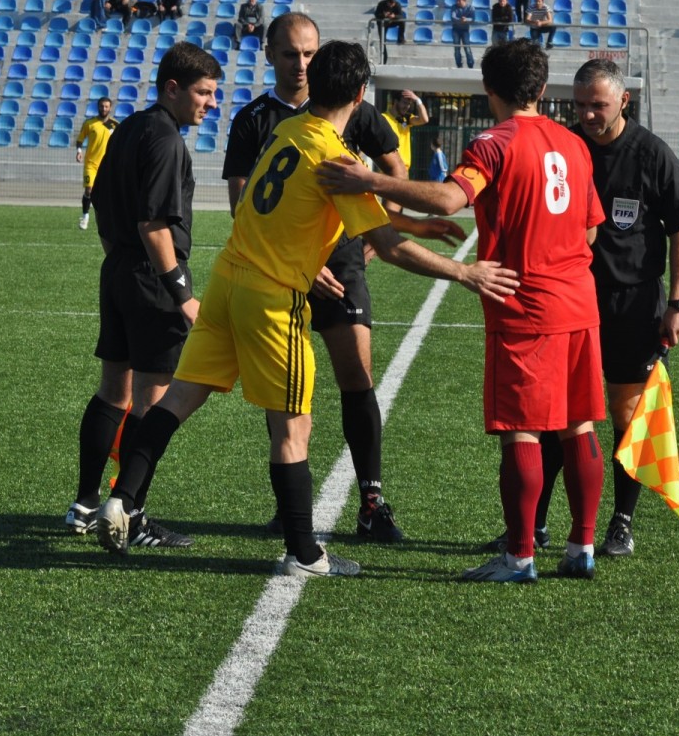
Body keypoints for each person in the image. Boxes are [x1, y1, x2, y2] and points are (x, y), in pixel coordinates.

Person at [94, 40, 519, 577]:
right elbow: (387, 247)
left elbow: (311, 203)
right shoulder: (337, 158)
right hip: (271, 298)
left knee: (178, 398)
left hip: (228, 280)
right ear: (361, 95)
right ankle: (304, 553)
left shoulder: (288, 130)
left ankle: (124, 499)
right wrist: (465, 272)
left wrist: (413, 225)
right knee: (294, 426)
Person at [318, 39, 607, 584]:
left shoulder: (495, 143)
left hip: (524, 302)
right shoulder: (574, 144)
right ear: (543, 88)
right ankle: (582, 547)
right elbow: (591, 229)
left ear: (488, 88)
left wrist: (370, 180)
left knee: (522, 431)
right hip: (578, 299)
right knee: (579, 424)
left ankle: (519, 557)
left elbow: (451, 199)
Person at [222, 12, 467, 543]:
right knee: (285, 392)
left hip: (342, 264)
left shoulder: (355, 111)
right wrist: (302, 265)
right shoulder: (255, 119)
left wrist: (382, 231)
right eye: (291, 53)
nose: (301, 63)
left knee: (356, 377)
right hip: (281, 271)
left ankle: (371, 502)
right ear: (269, 55)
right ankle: (290, 509)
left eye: (309, 53)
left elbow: (393, 172)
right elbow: (243, 206)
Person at [484, 58, 679, 558]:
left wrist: (678, 302)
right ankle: (535, 525)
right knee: (551, 416)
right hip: (566, 300)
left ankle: (621, 523)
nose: (586, 114)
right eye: (579, 104)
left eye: (597, 105)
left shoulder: (651, 153)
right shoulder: (565, 146)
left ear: (623, 101)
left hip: (632, 305)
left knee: (628, 415)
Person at [65, 42, 222, 546]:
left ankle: (84, 505)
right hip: (154, 279)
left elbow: (105, 211)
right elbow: (153, 225)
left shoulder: (128, 128)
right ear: (172, 88)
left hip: (117, 269)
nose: (211, 103)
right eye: (203, 92)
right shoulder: (166, 140)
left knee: (113, 390)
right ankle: (129, 514)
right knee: (154, 401)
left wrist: (120, 266)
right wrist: (182, 295)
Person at [74, 96, 119, 230]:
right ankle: (85, 216)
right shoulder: (90, 123)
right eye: (101, 106)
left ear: (110, 108)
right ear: (98, 107)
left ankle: (107, 218)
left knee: (107, 193)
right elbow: (80, 139)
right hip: (91, 164)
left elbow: (120, 142)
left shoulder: (115, 125)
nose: (104, 109)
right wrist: (79, 151)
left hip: (107, 165)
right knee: (89, 190)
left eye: (106, 106)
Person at [382, 90, 428, 172]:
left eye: (409, 104)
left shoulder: (407, 119)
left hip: (404, 170)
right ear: (395, 101)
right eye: (404, 103)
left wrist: (417, 100)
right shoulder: (383, 118)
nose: (407, 106)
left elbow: (424, 119)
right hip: (390, 169)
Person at [374, 0, 406, 64]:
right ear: (387, 2)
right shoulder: (381, 4)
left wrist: (394, 16)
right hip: (382, 24)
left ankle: (401, 39)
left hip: (391, 22)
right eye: (390, 4)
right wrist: (384, 15)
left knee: (402, 21)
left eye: (393, 4)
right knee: (382, 41)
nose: (391, 5)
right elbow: (376, 14)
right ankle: (384, 60)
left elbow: (401, 16)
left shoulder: (397, 5)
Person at [451, 0, 475, 69]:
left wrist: (466, 19)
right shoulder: (454, 7)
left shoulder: (470, 7)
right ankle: (459, 64)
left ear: (464, 0)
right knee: (457, 49)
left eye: (459, 0)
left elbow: (473, 19)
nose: (457, 2)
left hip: (465, 30)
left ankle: (470, 64)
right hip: (456, 30)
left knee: (467, 48)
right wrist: (461, 20)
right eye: (457, 0)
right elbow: (453, 17)